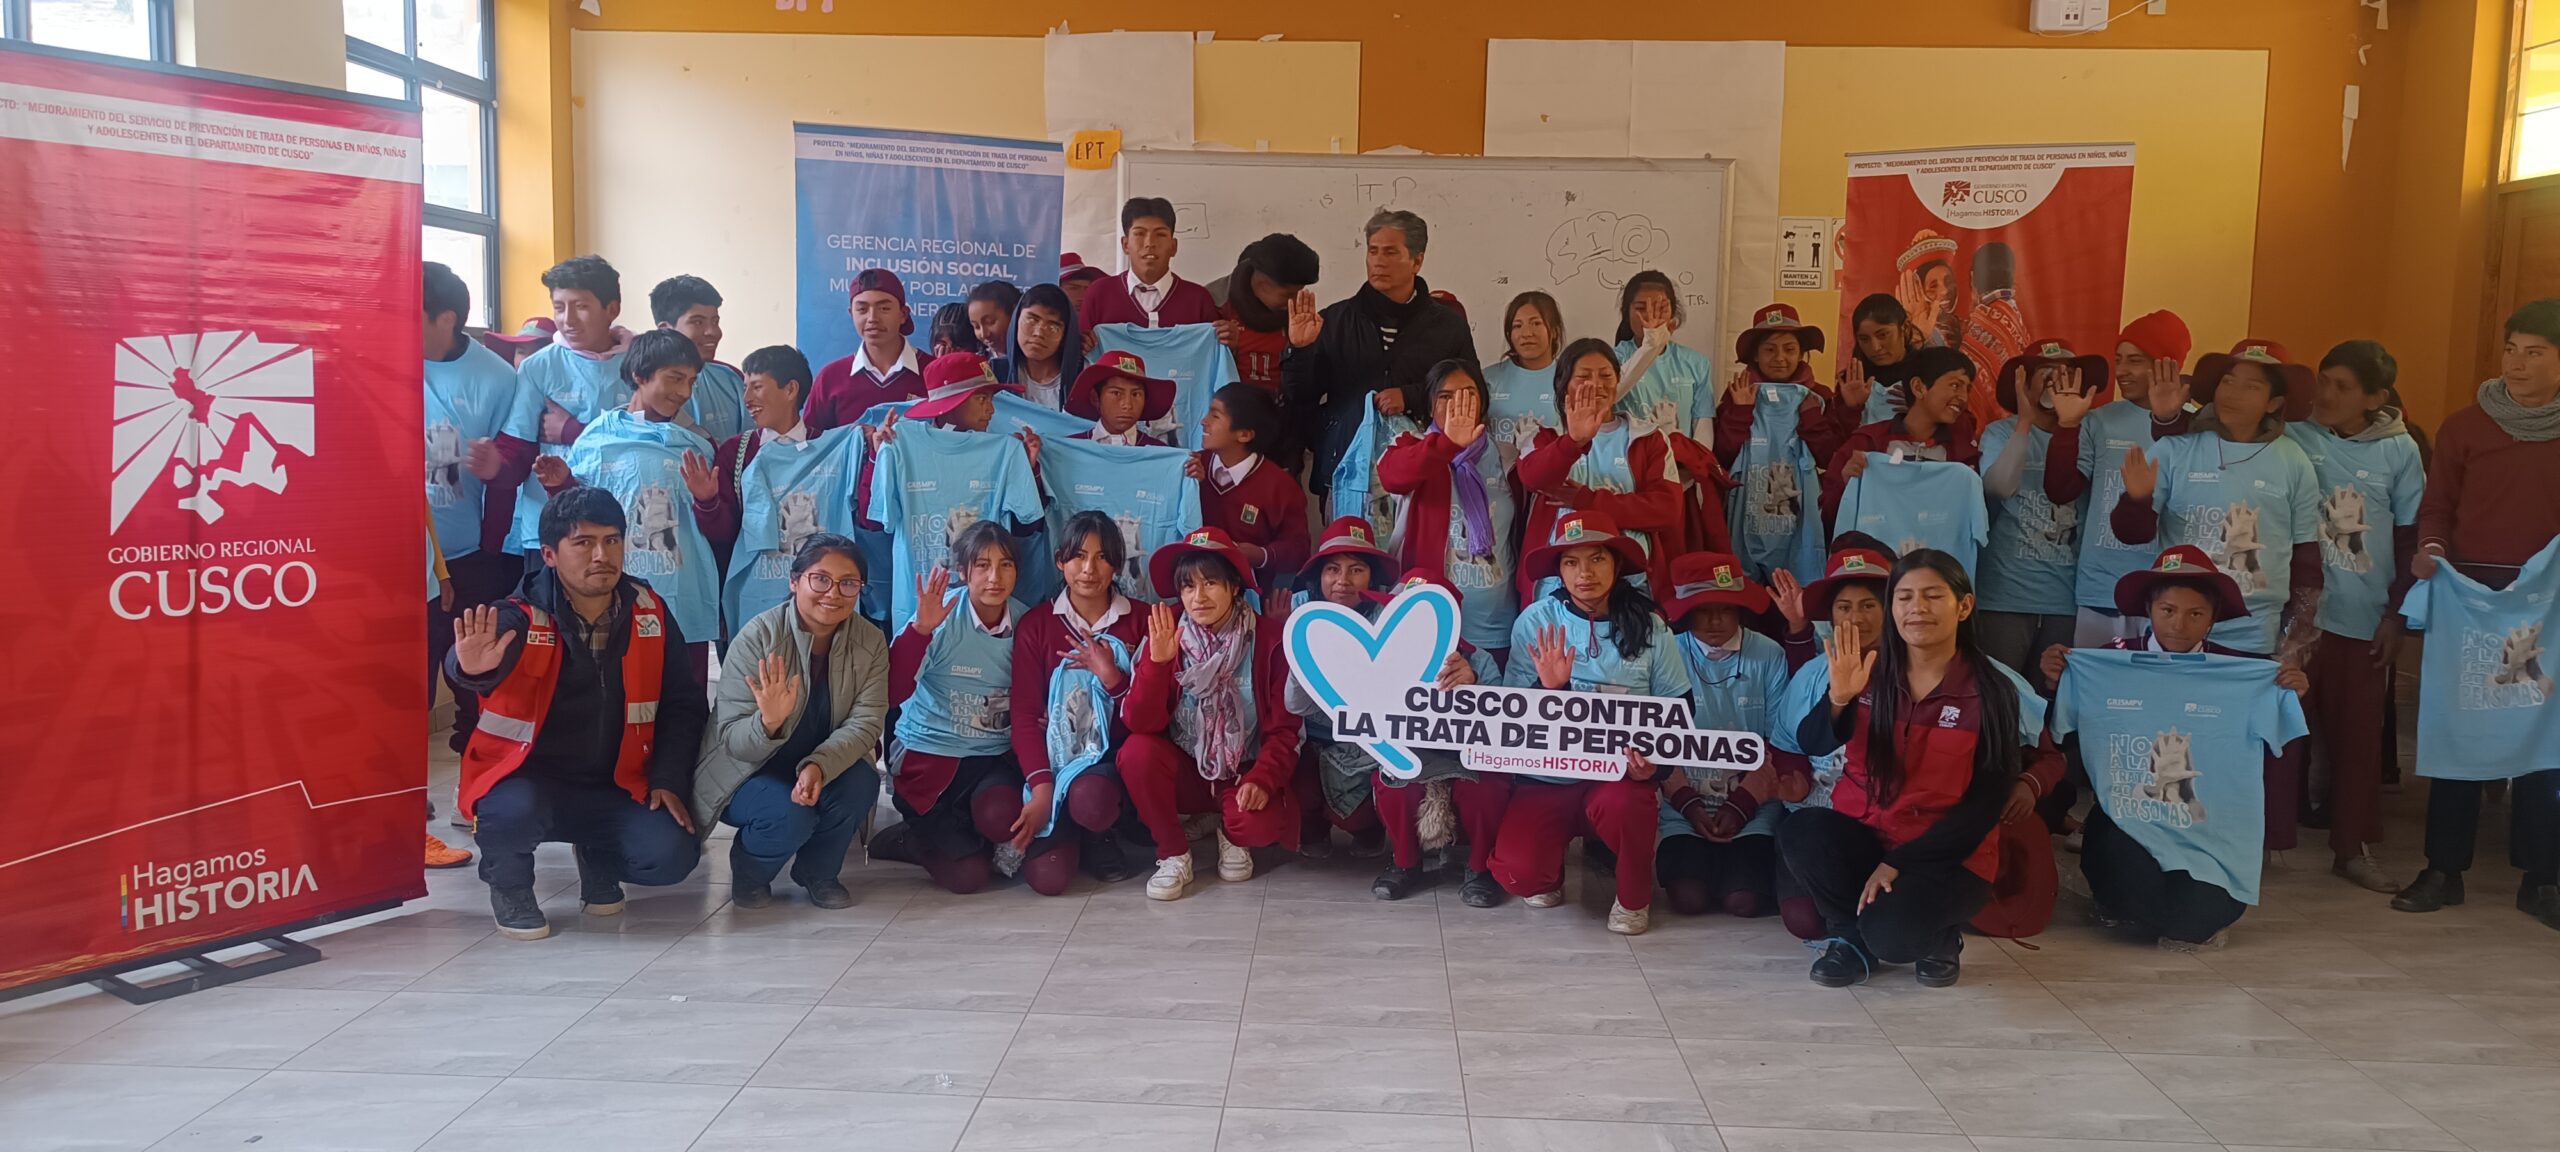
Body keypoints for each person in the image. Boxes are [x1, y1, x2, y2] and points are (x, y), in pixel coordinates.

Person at [445, 485, 708, 941]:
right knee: (508, 815)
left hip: (616, 783)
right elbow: (475, 660)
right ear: (549, 554)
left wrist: (667, 779)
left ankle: (597, 856)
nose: (601, 555)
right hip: (527, 781)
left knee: (672, 855)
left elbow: (682, 705)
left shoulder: (651, 611)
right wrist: (468, 669)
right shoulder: (519, 616)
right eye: (582, 543)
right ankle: (510, 889)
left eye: (611, 540)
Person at [2040, 545, 2309, 950]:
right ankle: (2121, 898)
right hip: (2130, 822)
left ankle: (2155, 906)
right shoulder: (2105, 663)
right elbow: (2060, 734)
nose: (2179, 625)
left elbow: (2277, 748)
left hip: (2208, 833)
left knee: (2192, 921)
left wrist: (2289, 692)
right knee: (2115, 858)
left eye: (2195, 613)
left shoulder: (2244, 673)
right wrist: (2056, 679)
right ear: (2149, 609)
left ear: (2213, 618)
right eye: (2167, 610)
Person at [1777, 551, 2024, 988]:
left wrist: (1900, 862)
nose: (1917, 609)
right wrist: (1839, 697)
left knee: (1893, 939)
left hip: (1947, 855)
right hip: (1869, 833)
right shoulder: (1868, 673)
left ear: (1963, 607)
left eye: (1933, 596)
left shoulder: (1990, 691)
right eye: (1905, 597)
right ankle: (1847, 938)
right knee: (1802, 831)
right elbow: (1814, 742)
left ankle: (1940, 936)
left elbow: (1986, 804)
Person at [2393, 299, 2560, 928]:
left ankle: (2543, 879)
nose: (2518, 362)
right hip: (2469, 597)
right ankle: (2444, 869)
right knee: (2458, 730)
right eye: (2512, 348)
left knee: (2546, 738)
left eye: (2535, 351)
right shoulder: (2467, 426)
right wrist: (2432, 550)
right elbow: (2436, 508)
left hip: (2548, 602)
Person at [1492, 511, 1692, 935]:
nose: (1585, 573)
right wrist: (1554, 692)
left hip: (1619, 777)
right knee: (1519, 874)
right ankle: (1551, 869)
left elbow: (1680, 710)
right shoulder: (1535, 621)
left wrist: (1656, 767)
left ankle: (1633, 897)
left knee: (1627, 806)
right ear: (1559, 570)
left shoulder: (1652, 625)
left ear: (1617, 565)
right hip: (1547, 776)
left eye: (1597, 558)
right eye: (1571, 561)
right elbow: (1513, 717)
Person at [2285, 340, 2424, 892]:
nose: (2326, 393)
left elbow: (2412, 537)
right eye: (2323, 379)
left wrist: (2396, 618)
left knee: (2357, 742)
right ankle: (2265, 844)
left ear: (2376, 397)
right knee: (2282, 734)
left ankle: (2352, 849)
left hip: (2362, 620)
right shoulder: (2294, 435)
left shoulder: (2400, 451)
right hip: (2296, 619)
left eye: (2342, 386)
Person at [691, 534, 887, 909]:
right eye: (820, 579)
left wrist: (818, 766)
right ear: (795, 581)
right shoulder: (757, 638)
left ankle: (818, 873)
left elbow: (866, 723)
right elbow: (732, 740)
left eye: (848, 583)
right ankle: (750, 874)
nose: (833, 593)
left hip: (819, 762)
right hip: (749, 770)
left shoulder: (870, 641)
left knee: (861, 782)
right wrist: (768, 723)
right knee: (790, 814)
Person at [1122, 528, 1304, 900]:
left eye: (1210, 583)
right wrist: (1157, 665)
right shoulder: (1165, 632)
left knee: (1257, 827)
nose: (1198, 597)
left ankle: (1228, 828)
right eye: (1188, 586)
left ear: (1235, 586)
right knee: (1136, 752)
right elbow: (1140, 723)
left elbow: (1286, 732)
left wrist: (1263, 781)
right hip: (1186, 770)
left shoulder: (1269, 640)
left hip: (1243, 772)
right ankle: (1173, 853)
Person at [2111, 340, 2323, 659]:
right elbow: (2131, 534)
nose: (2233, 393)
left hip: (2253, 633)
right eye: (2227, 381)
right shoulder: (2174, 449)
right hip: (2175, 628)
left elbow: (2305, 556)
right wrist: (2137, 499)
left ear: (2273, 402)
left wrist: (2296, 636)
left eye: (2251, 386)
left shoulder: (2293, 460)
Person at [533, 329, 723, 678]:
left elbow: (721, 531)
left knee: (685, 695)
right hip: (614, 592)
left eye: (691, 381)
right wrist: (562, 485)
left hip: (683, 594)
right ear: (640, 376)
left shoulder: (698, 445)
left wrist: (707, 500)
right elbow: (580, 517)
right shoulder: (597, 438)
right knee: (619, 688)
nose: (684, 392)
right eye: (674, 378)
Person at [874, 521, 1030, 893]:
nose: (995, 577)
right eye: (982, 565)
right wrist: (920, 632)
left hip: (992, 757)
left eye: (1005, 565)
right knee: (968, 878)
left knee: (1000, 816)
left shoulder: (1026, 621)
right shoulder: (939, 616)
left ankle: (969, 833)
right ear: (963, 572)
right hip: (931, 757)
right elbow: (891, 693)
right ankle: (909, 839)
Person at [1283, 208, 1480, 492]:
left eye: (1390, 253)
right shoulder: (1335, 320)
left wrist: (1411, 396)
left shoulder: (1448, 326)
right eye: (1373, 251)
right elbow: (1300, 396)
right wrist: (1300, 350)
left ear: (1417, 260)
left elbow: (1471, 396)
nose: (1378, 262)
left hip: (1422, 469)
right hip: (1347, 468)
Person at [1009, 512, 1153, 891]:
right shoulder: (1037, 625)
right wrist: (1041, 787)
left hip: (1110, 766)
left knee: (1092, 799)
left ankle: (1099, 832)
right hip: (1054, 765)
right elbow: (1024, 716)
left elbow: (1154, 713)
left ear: (1118, 566)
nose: (1089, 569)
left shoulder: (1142, 621)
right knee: (1047, 880)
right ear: (1060, 560)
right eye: (1078, 556)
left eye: (1103, 557)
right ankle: (1064, 821)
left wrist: (1112, 679)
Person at [1655, 552, 1804, 919]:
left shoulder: (1768, 654)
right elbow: (1655, 737)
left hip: (1754, 802)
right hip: (1682, 804)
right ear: (1686, 611)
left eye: (1726, 609)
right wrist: (1688, 803)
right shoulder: (1668, 651)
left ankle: (1745, 868)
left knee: (1743, 902)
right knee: (1689, 900)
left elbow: (1779, 739)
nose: (1716, 620)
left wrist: (1742, 806)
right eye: (1703, 610)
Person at [423, 262, 525, 755]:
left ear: (445, 319)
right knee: (406, 673)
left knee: (476, 671)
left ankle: (477, 772)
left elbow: (516, 469)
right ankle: (401, 784)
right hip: (402, 553)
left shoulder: (498, 378)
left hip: (472, 554)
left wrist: (496, 468)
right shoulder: (382, 358)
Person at [2047, 310, 2196, 645]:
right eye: (2119, 360)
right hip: (2100, 590)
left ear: (2166, 365)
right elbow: (2061, 490)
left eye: (2136, 361)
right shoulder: (2101, 420)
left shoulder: (2194, 425)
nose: (2123, 371)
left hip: (2167, 596)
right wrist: (2068, 425)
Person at [1976, 340, 2110, 678]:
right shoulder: (2000, 432)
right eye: (2047, 373)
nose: (2057, 383)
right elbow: (1998, 487)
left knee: (2052, 698)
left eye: (2067, 375)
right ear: (2026, 381)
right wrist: (2024, 422)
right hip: (2004, 597)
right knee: (2001, 698)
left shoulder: (2087, 434)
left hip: (2064, 598)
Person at [1516, 339, 1684, 599]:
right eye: (1583, 376)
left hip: (1632, 583)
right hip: (1556, 586)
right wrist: (1573, 442)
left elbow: (1667, 510)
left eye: (1606, 375)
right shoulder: (1544, 436)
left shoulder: (1648, 437)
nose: (1596, 384)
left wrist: (1588, 500)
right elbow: (1533, 479)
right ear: (1563, 384)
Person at [1379, 359, 1521, 661]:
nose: (1458, 403)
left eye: (1469, 393)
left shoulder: (1506, 455)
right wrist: (1446, 445)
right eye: (1445, 396)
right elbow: (1392, 476)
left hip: (1496, 627)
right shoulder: (1411, 445)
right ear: (1430, 406)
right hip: (1426, 622)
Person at [1285, 517, 1403, 857]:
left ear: (1372, 577)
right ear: (1318, 576)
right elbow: (1295, 705)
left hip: (1368, 747)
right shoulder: (1304, 618)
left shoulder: (1385, 620)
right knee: (1300, 791)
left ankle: (1368, 829)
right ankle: (1314, 827)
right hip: (1313, 739)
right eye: (1332, 569)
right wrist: (1302, 656)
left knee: (1354, 815)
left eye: (1356, 570)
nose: (1342, 581)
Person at [503, 255, 634, 557]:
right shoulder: (538, 367)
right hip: (549, 528)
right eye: (559, 307)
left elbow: (645, 440)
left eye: (581, 306)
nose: (568, 319)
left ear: (611, 309)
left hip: (617, 525)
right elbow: (518, 445)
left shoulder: (638, 363)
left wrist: (574, 431)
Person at [1714, 303, 1844, 581]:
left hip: (1797, 507)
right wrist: (1739, 412)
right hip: (1748, 505)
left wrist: (1811, 419)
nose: (1780, 358)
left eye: (1789, 349)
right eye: (1770, 349)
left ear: (1801, 353)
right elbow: (1722, 457)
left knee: (1797, 583)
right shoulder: (1738, 393)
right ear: (1756, 355)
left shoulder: (1818, 396)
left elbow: (1830, 459)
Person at [692, 344, 815, 579]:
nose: (746, 399)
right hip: (755, 587)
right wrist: (707, 502)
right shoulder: (735, 452)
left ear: (790, 389)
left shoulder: (827, 446)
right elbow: (724, 535)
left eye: (757, 387)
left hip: (817, 588)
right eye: (745, 388)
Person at [1823, 345, 1980, 526]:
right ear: (1919, 387)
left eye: (1967, 389)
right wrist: (1845, 484)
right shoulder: (1867, 442)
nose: (1963, 397)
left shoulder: (1961, 453)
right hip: (1874, 552)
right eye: (1955, 385)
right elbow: (1827, 517)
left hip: (1935, 553)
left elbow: (1969, 519)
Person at [1191, 382, 1309, 592]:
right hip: (1194, 592)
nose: (1203, 422)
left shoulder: (1280, 487)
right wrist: (1192, 488)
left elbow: (1299, 550)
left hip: (1251, 598)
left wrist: (1260, 555)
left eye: (1215, 416)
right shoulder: (1192, 467)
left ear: (1244, 434)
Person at [1078, 197, 1222, 331]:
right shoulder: (1099, 293)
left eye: (1160, 234)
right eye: (1139, 234)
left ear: (1173, 247)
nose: (1150, 243)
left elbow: (1213, 352)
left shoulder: (1198, 299)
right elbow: (1080, 351)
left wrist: (1231, 345)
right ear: (1125, 245)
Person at [807, 268, 925, 431]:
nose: (872, 318)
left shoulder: (933, 373)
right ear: (851, 314)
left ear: (903, 314)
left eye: (884, 309)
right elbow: (814, 446)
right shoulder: (830, 379)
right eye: (862, 309)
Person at [1209, 233, 1321, 401]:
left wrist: (1302, 349)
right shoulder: (1213, 303)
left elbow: (1306, 390)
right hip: (1231, 417)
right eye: (1289, 294)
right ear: (1262, 283)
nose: (1296, 301)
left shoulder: (1301, 319)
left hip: (1283, 418)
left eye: (1300, 292)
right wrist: (1226, 350)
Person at [1611, 270, 1716, 440]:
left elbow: (1703, 426)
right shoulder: (1612, 359)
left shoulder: (1696, 363)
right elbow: (1611, 395)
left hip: (1680, 463)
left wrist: (1693, 464)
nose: (1650, 316)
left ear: (1673, 313)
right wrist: (1650, 346)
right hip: (1628, 462)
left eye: (1661, 308)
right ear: (1626, 313)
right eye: (1640, 308)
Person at [651, 274, 746, 443]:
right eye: (697, 322)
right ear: (665, 329)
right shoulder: (644, 387)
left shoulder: (732, 379)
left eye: (715, 321)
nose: (713, 332)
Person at [1483, 291, 1564, 473]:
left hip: (1548, 482)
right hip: (1495, 486)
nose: (1526, 333)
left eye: (1536, 323)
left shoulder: (1569, 379)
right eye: (1517, 326)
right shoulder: (1488, 378)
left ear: (1555, 331)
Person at [1957, 243, 2030, 422]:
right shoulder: (2014, 314)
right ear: (2012, 275)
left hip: (1992, 427)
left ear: (1973, 277)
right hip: (2021, 422)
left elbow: (1968, 384)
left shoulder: (1982, 320)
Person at [1839, 293, 1924, 426]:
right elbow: (1835, 442)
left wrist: (1928, 413)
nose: (1875, 347)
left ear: (1905, 328)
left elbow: (1961, 433)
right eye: (1864, 339)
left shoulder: (1930, 373)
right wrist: (1852, 410)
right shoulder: (1851, 383)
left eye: (1883, 335)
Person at [1062, 349, 1176, 447]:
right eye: (1116, 393)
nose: (1127, 405)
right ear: (1095, 398)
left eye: (1136, 394)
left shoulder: (1159, 454)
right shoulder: (1068, 450)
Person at [1002, 283, 1085, 409]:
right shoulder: (996, 374)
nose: (1038, 333)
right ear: (1016, 320)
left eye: (1053, 327)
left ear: (1065, 335)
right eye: (1031, 320)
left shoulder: (1080, 382)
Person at [1894, 230, 1960, 348]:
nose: (1944, 291)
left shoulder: (1967, 327)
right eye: (1933, 286)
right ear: (1917, 291)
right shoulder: (1906, 335)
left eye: (1948, 281)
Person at [968, 279, 1022, 367]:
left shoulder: (1036, 360)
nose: (984, 334)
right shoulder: (982, 364)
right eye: (976, 326)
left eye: (990, 322)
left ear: (1014, 314)